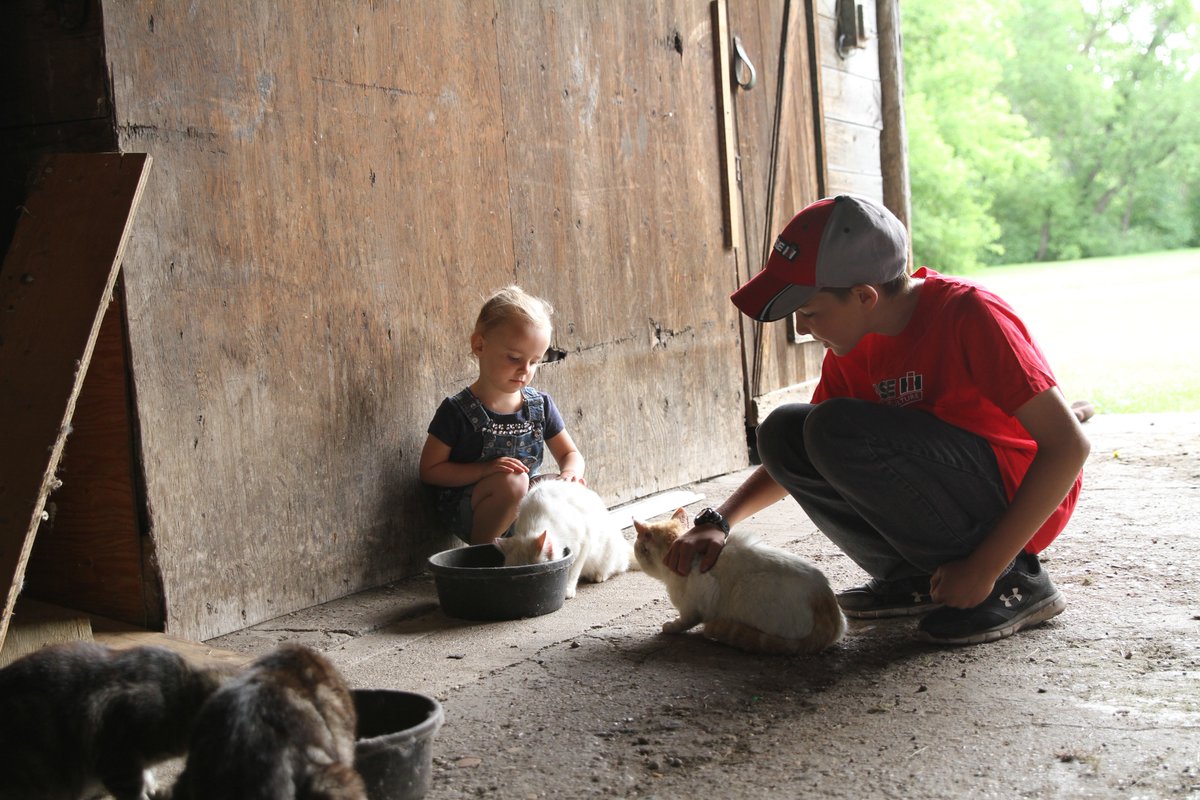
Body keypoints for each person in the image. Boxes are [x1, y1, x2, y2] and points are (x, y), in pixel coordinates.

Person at [665, 195, 1090, 645]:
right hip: (947, 487)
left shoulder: (969, 313)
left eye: (809, 312)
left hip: (1015, 497)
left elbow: (1069, 446)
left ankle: (1015, 580)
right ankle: (912, 577)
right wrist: (719, 521)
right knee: (784, 432)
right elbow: (801, 452)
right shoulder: (853, 341)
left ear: (864, 296)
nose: (803, 328)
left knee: (831, 426)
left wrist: (985, 567)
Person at [419, 286, 585, 545]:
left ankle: (539, 553)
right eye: (514, 358)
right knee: (513, 482)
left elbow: (570, 454)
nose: (525, 370)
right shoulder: (457, 411)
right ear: (479, 345)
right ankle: (482, 556)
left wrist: (569, 475)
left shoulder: (539, 405)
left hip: (520, 504)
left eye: (535, 361)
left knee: (559, 489)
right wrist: (485, 470)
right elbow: (430, 470)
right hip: (470, 509)